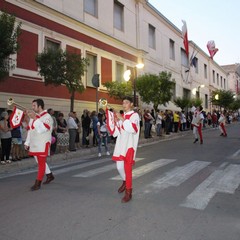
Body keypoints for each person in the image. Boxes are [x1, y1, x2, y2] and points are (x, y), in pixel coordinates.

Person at [108, 96, 140, 203]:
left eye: (126, 102)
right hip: (121, 145)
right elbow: (116, 133)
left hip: (129, 146)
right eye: (123, 102)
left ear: (131, 104)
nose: (124, 104)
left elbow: (133, 129)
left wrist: (122, 119)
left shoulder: (134, 115)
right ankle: (125, 182)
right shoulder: (123, 116)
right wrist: (115, 120)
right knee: (119, 166)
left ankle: (128, 192)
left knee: (127, 169)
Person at [25, 99, 55, 191]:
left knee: (41, 163)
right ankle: (50, 175)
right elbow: (30, 130)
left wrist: (34, 118)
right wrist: (27, 142)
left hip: (42, 143)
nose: (32, 107)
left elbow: (43, 129)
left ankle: (38, 183)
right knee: (39, 162)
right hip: (34, 144)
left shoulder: (47, 117)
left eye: (34, 105)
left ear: (40, 106)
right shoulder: (34, 116)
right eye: (32, 105)